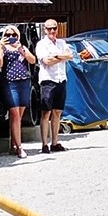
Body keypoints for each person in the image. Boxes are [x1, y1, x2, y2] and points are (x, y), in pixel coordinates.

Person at [0, 25, 36, 157]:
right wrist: (1, 48)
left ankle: (14, 143)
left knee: (19, 114)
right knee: (14, 114)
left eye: (14, 35)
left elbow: (32, 60)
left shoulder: (21, 47)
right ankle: (19, 147)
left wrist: (21, 49)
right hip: (10, 82)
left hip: (24, 81)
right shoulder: (3, 48)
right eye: (8, 35)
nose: (11, 37)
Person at [33, 20, 73, 153]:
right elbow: (46, 61)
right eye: (49, 29)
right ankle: (45, 144)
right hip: (48, 80)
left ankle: (55, 142)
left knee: (57, 112)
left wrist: (55, 56)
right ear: (45, 30)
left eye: (54, 28)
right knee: (46, 112)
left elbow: (70, 55)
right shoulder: (41, 44)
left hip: (61, 79)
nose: (52, 31)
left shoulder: (62, 43)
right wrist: (62, 57)